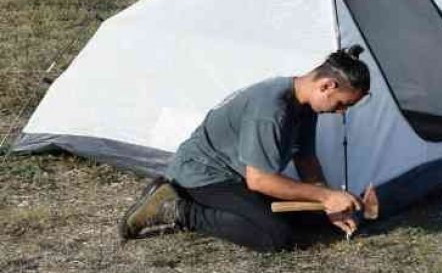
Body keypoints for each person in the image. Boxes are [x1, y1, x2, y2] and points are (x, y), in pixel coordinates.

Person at [119, 45, 371, 252]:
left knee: (314, 219)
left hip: (238, 176)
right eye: (341, 104)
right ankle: (176, 208)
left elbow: (306, 158)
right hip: (203, 175)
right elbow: (260, 180)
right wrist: (327, 196)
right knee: (275, 237)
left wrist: (327, 205)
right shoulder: (271, 109)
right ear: (327, 86)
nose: (341, 112)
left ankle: (185, 202)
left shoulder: (307, 105)